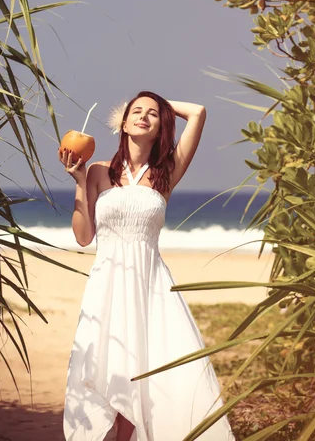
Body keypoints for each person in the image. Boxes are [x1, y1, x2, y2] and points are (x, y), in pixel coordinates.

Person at [59, 91, 235, 441]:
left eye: (152, 114)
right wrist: (80, 184)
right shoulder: (96, 172)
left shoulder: (167, 172)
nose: (143, 115)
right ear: (123, 124)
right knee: (112, 372)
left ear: (160, 128)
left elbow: (198, 112)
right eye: (135, 111)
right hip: (107, 286)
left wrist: (157, 99)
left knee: (148, 374)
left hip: (151, 287)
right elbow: (82, 237)